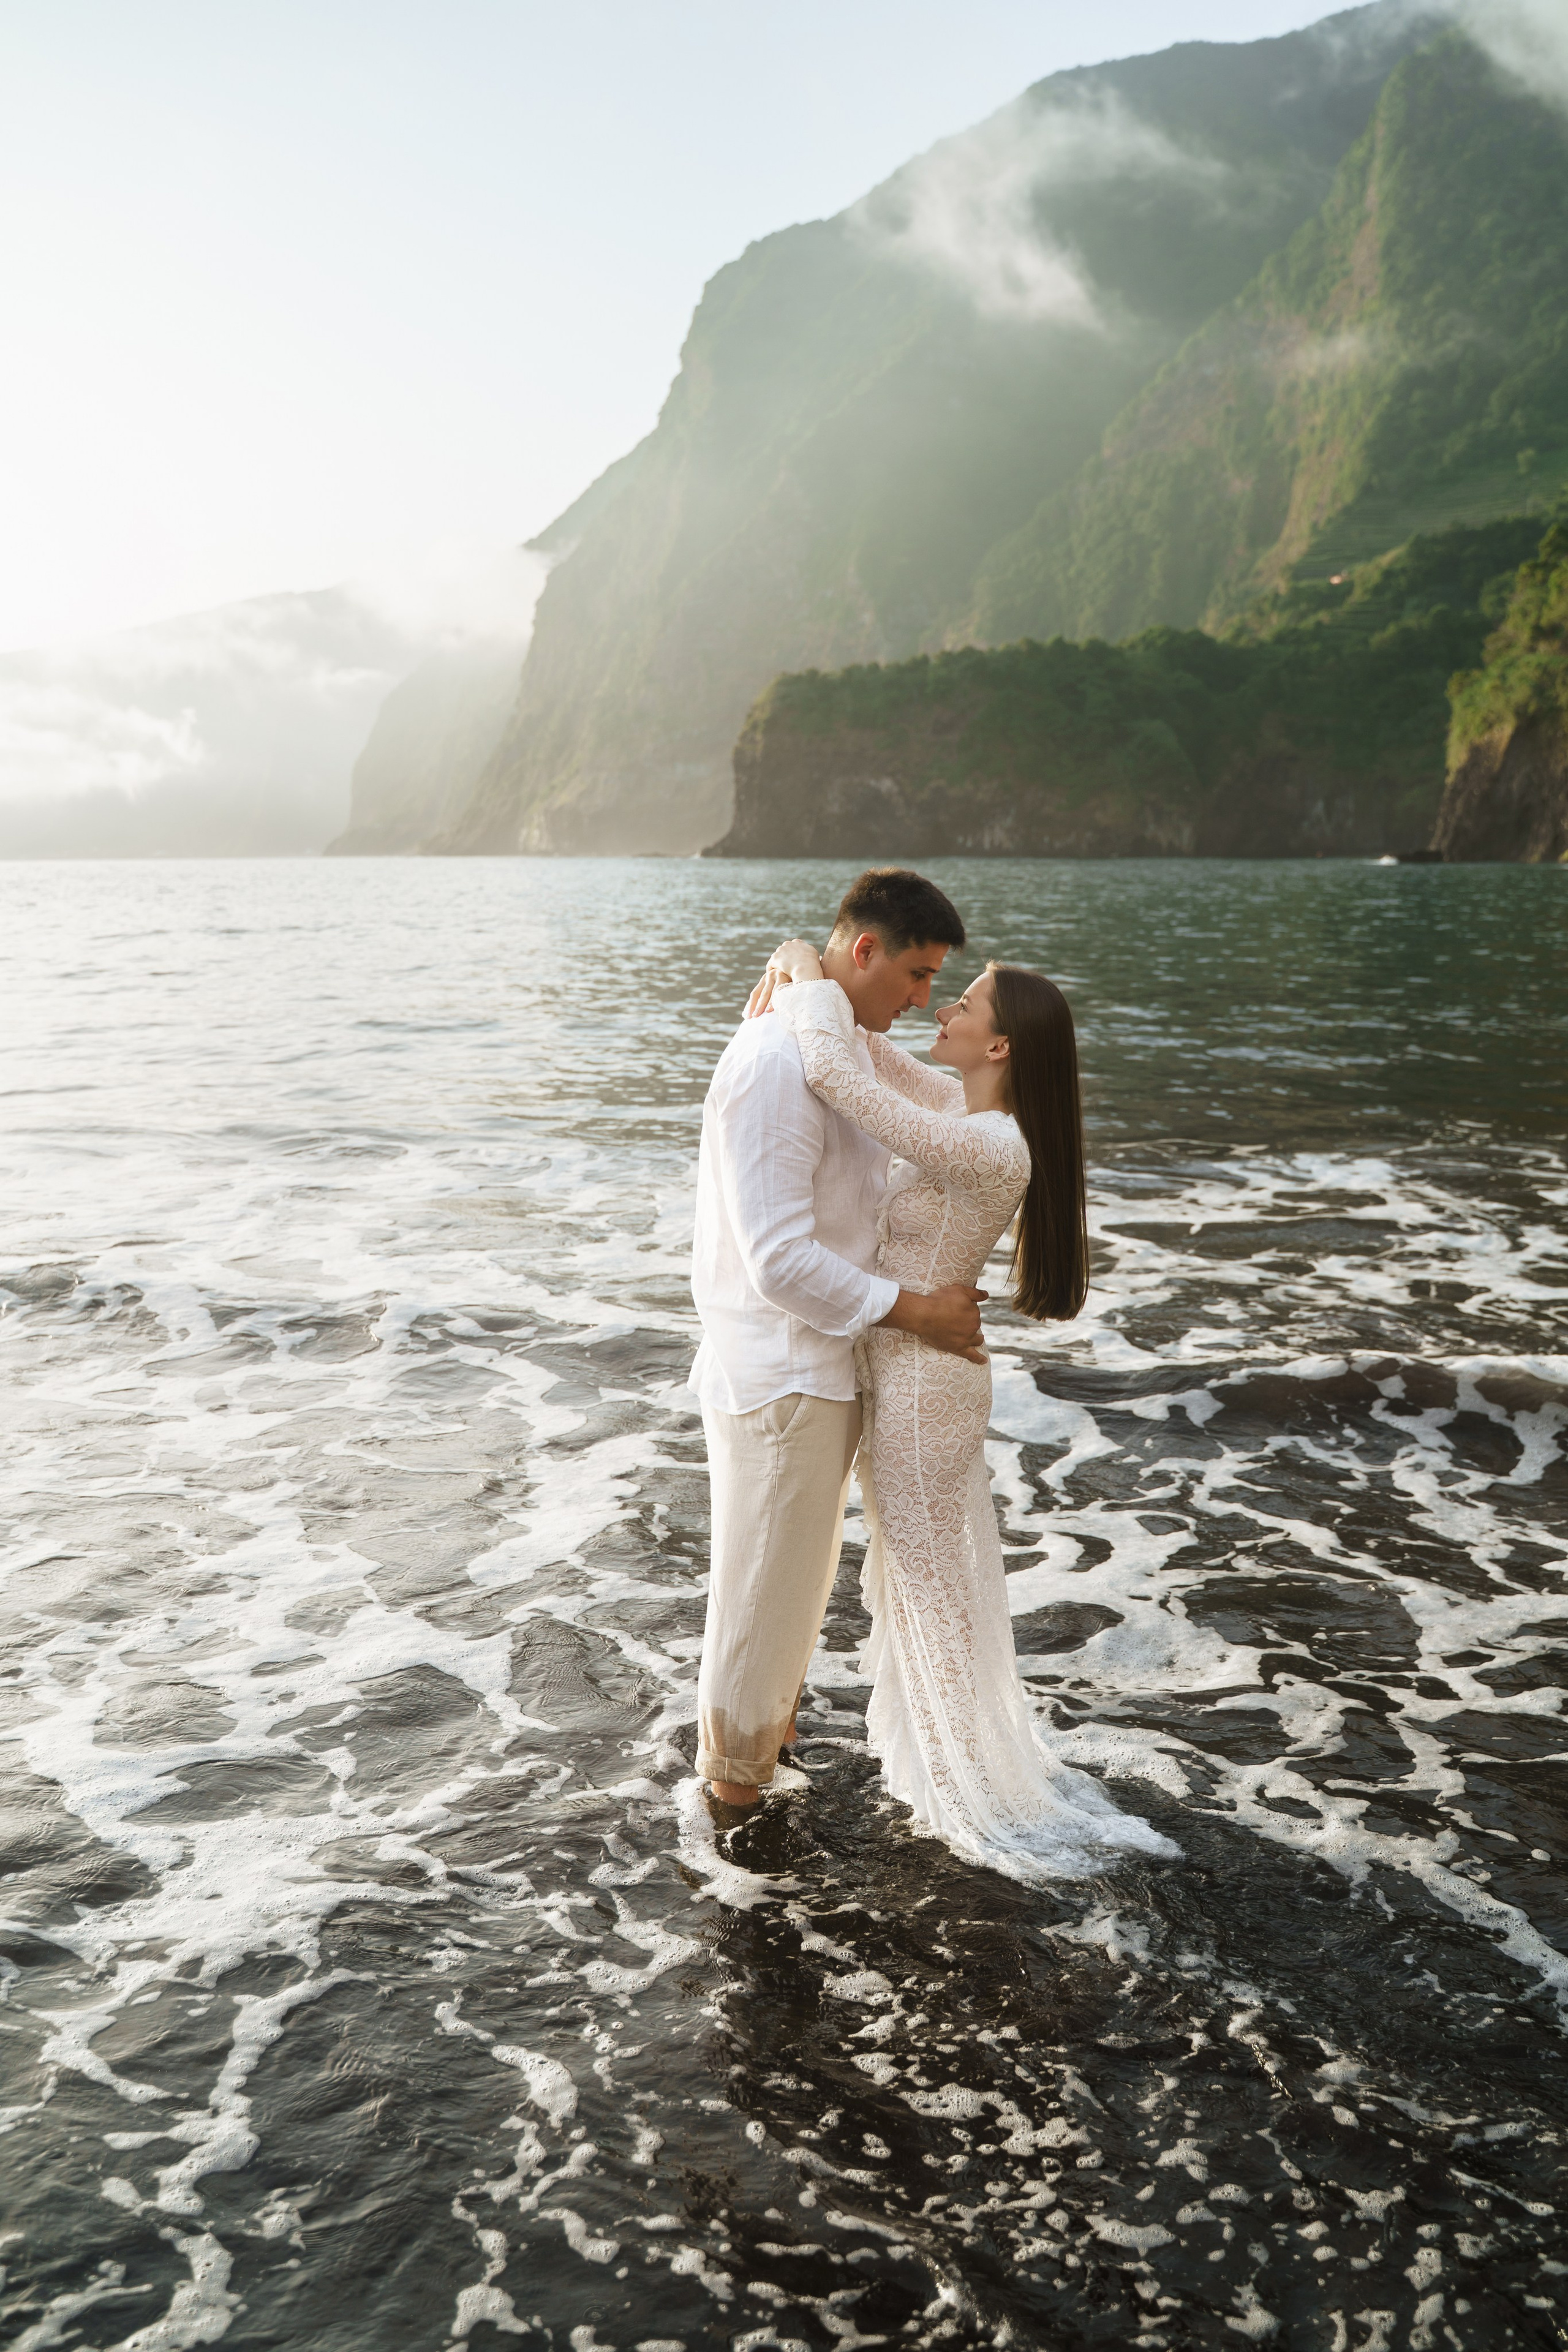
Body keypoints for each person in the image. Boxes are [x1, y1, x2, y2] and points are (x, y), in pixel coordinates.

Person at [747, 938, 1178, 1882]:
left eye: (966, 1004)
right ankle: (955, 1765)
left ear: (1002, 1049)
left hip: (919, 1394)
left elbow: (832, 1068)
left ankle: (967, 1791)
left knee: (933, 1594)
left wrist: (805, 978)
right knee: (931, 1586)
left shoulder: (987, 1144)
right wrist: (798, 959)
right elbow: (872, 1056)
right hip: (918, 1381)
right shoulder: (964, 1109)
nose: (942, 1011)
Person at [689, 868, 985, 1814]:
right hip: (783, 1378)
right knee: (758, 1613)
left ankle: (756, 1776)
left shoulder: (834, 1044)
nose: (924, 1001)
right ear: (866, 952)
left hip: (814, 1369)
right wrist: (918, 1311)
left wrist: (796, 964)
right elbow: (778, 1261)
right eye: (917, 976)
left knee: (786, 1603)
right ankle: (733, 1828)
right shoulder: (780, 1064)